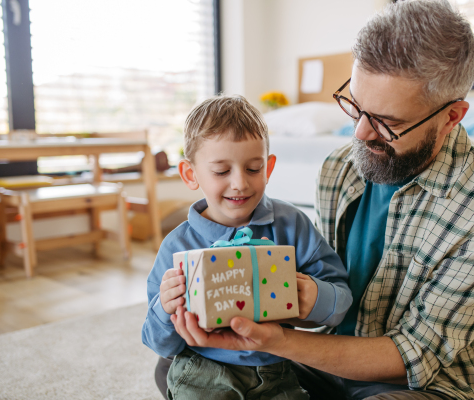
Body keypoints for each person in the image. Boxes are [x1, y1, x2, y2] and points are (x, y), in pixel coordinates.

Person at [167, 1, 474, 400]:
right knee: (187, 367)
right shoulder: (340, 167)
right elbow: (325, 294)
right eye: (355, 105)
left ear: (451, 116)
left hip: (431, 383)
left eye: (387, 124)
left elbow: (414, 357)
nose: (359, 133)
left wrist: (274, 342)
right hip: (332, 360)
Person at [142, 95, 353, 399]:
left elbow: (341, 301)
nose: (240, 183)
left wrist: (314, 296)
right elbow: (158, 343)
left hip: (278, 367)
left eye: (253, 169)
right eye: (221, 171)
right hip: (204, 368)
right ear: (191, 174)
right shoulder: (177, 245)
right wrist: (165, 308)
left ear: (268, 167)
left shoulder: (291, 224)